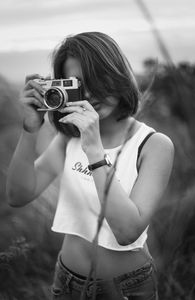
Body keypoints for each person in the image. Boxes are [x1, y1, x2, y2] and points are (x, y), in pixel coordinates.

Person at [6, 32, 174, 300]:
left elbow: (127, 232)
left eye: (99, 79)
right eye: (78, 84)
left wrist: (94, 150)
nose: (91, 93)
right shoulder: (67, 140)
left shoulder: (154, 145)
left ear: (118, 73)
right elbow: (18, 195)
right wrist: (30, 128)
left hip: (127, 288)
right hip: (66, 280)